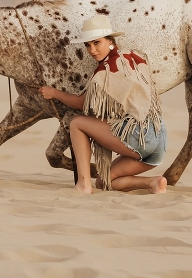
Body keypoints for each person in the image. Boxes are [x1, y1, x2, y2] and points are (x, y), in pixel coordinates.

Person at [39, 15, 168, 194]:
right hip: (159, 138)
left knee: (77, 123)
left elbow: (82, 103)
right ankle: (154, 183)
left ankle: (83, 185)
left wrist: (54, 93)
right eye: (88, 45)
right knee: (104, 181)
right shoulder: (134, 56)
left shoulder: (105, 70)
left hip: (140, 136)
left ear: (110, 41)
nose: (92, 50)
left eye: (96, 43)